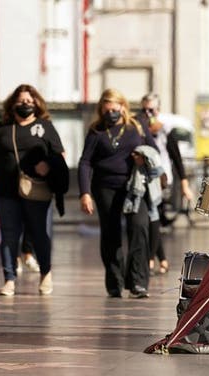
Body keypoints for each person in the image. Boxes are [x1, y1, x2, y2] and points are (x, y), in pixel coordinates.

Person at [0, 84, 65, 296]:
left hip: (36, 189)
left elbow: (60, 156)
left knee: (39, 233)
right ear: (12, 105)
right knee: (9, 235)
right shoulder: (1, 129)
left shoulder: (45, 127)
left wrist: (48, 165)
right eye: (21, 101)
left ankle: (46, 273)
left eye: (29, 101)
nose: (25, 105)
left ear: (37, 104)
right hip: (5, 190)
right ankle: (9, 279)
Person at [78, 88, 158, 298]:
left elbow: (154, 150)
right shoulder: (96, 131)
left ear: (123, 107)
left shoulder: (137, 127)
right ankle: (115, 282)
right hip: (105, 187)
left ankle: (138, 281)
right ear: (101, 110)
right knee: (111, 233)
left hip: (134, 187)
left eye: (114, 109)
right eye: (107, 111)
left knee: (139, 227)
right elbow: (85, 162)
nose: (111, 113)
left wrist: (143, 158)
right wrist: (85, 193)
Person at [135, 93, 194, 275]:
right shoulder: (138, 127)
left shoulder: (165, 130)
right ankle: (163, 260)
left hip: (161, 179)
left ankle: (151, 259)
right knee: (153, 218)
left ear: (158, 110)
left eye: (151, 110)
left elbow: (177, 159)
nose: (147, 113)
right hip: (141, 178)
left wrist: (184, 185)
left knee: (154, 216)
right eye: (144, 109)